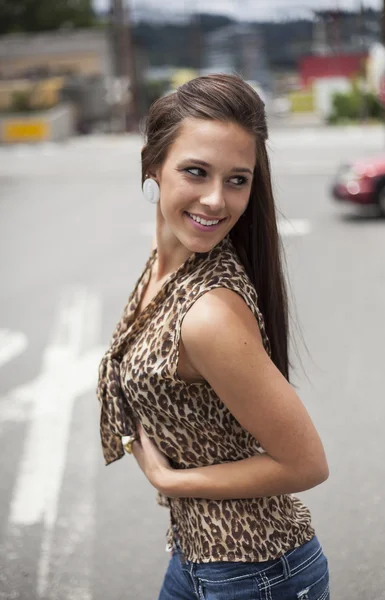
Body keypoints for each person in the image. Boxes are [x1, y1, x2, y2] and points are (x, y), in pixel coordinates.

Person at [97, 73, 330, 600]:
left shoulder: (207, 314)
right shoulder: (166, 265)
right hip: (200, 557)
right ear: (152, 165)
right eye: (196, 172)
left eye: (237, 180)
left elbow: (306, 464)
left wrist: (171, 480)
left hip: (254, 574)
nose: (215, 201)